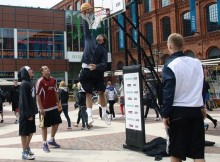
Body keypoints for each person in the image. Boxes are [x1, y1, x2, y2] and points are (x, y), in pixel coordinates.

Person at [161, 33, 206, 162]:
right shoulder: (197, 63)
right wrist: (202, 105)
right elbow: (201, 86)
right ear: (183, 46)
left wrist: (165, 114)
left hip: (178, 112)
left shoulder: (169, 66)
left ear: (169, 46)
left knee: (176, 153)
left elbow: (168, 92)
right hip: (196, 111)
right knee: (198, 154)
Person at [79, 19, 110, 125]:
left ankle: (105, 114)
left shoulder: (103, 49)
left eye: (101, 35)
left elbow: (104, 64)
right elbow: (85, 28)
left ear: (103, 40)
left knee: (101, 92)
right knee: (88, 93)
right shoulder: (89, 38)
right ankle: (90, 117)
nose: (99, 36)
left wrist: (96, 66)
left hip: (97, 72)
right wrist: (84, 15)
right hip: (86, 71)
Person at [36, 66, 62, 153]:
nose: (48, 69)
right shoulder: (40, 81)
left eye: (48, 68)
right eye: (45, 69)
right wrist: (41, 108)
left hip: (53, 107)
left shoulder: (53, 80)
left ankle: (51, 139)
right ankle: (44, 144)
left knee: (57, 122)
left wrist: (58, 103)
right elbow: (38, 95)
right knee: (44, 126)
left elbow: (55, 92)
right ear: (42, 72)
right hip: (44, 109)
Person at [18, 66, 38, 160]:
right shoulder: (24, 84)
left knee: (30, 132)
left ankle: (27, 148)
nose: (32, 70)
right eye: (30, 69)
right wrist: (28, 114)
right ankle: (24, 152)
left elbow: (33, 98)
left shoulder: (30, 83)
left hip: (31, 112)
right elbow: (23, 100)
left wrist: (34, 111)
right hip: (26, 113)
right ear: (25, 72)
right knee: (24, 133)